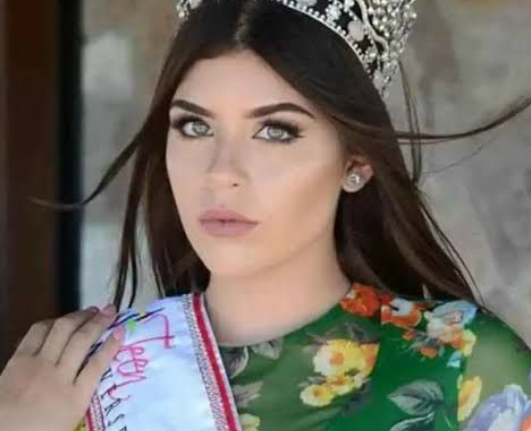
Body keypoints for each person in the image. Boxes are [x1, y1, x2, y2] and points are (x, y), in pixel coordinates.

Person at [1, 0, 531, 429]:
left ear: (356, 161)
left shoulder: (463, 366)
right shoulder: (79, 385)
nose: (221, 172)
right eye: (194, 126)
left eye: (276, 131)